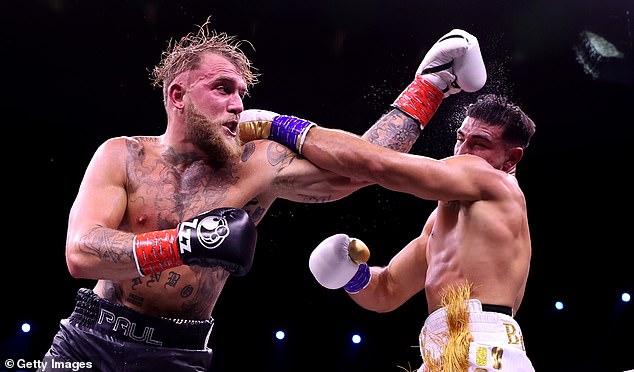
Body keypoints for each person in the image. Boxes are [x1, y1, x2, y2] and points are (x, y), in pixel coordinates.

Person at [37, 15, 486, 371]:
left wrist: (426, 90)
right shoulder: (124, 155)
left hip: (179, 352)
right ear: (178, 96)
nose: (237, 104)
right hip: (87, 342)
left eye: (241, 92)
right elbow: (81, 254)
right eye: (222, 88)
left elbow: (360, 170)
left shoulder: (256, 163)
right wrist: (186, 244)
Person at [247, 93, 536, 371]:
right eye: (460, 138)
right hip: (442, 352)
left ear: (511, 159)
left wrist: (279, 126)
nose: (462, 152)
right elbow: (388, 289)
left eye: (479, 144)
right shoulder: (440, 221)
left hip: (488, 350)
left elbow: (379, 164)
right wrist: (351, 274)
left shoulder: (498, 185)